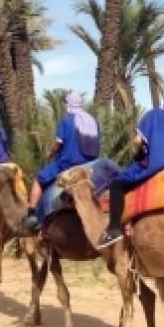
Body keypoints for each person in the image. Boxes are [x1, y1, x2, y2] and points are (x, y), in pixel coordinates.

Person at [97, 81, 164, 249]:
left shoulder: (153, 115)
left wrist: (140, 154)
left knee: (117, 185)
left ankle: (114, 229)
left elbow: (137, 141)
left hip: (157, 166)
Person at [20, 92, 101, 231]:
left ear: (69, 104)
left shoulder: (67, 120)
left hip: (67, 163)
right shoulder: (93, 122)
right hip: (90, 164)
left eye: (65, 104)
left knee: (39, 179)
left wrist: (50, 153)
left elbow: (58, 144)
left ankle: (32, 213)